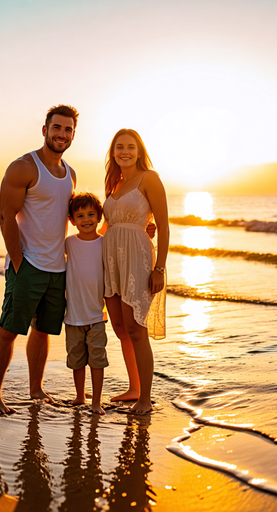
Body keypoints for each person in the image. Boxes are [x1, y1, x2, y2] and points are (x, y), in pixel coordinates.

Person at [0, 105, 78, 415]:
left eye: (68, 129)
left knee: (42, 332)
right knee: (9, 330)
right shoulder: (24, 167)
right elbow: (5, 216)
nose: (62, 134)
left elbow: (75, 219)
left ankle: (36, 389)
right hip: (27, 265)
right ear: (44, 130)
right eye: (57, 128)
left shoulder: (70, 174)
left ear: (73, 134)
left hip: (57, 268)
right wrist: (17, 263)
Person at [102, 129, 169, 415]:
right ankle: (134, 388)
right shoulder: (114, 183)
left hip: (138, 259)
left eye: (130, 147)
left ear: (139, 151)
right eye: (119, 147)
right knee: (119, 328)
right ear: (113, 152)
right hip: (111, 259)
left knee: (136, 329)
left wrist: (159, 268)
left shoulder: (149, 178)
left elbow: (163, 226)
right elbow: (107, 227)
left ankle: (145, 398)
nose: (124, 151)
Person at [64, 193, 108, 415]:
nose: (86, 219)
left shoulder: (104, 243)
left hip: (96, 316)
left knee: (97, 360)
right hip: (72, 316)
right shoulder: (69, 243)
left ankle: (97, 401)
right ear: (71, 220)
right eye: (79, 215)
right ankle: (80, 395)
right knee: (77, 359)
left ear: (99, 217)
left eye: (91, 214)